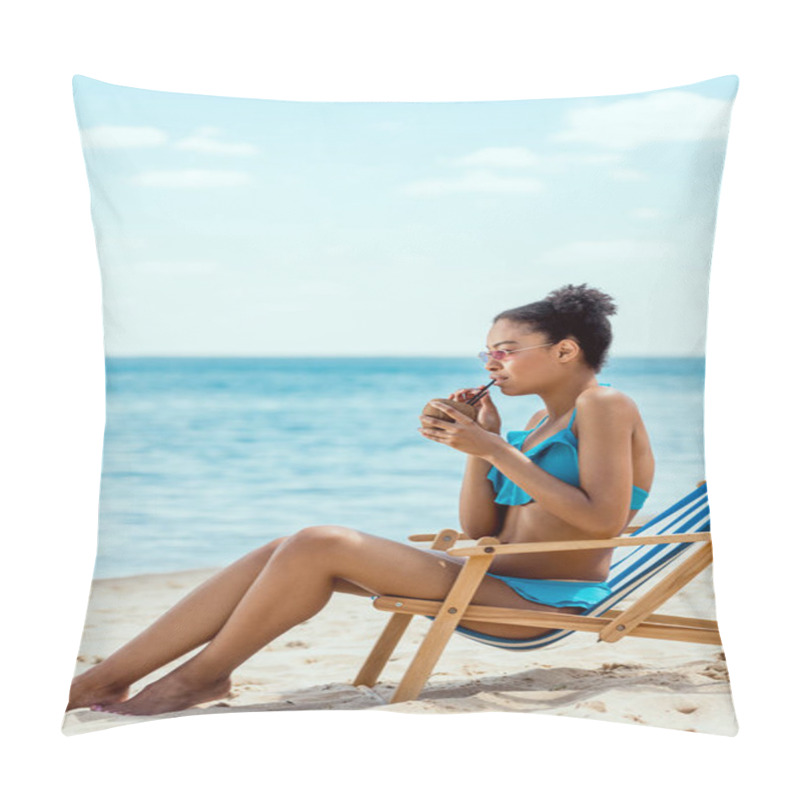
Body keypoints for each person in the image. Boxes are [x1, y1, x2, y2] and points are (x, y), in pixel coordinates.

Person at [66, 283, 654, 716]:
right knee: (290, 546)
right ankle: (106, 679)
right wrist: (478, 444)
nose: (491, 361)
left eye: (506, 349)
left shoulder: (604, 405)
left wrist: (496, 451)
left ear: (565, 351)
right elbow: (479, 527)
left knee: (320, 540)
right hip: (487, 579)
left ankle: (198, 679)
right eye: (487, 353)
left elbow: (603, 522)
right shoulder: (533, 424)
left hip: (540, 604)